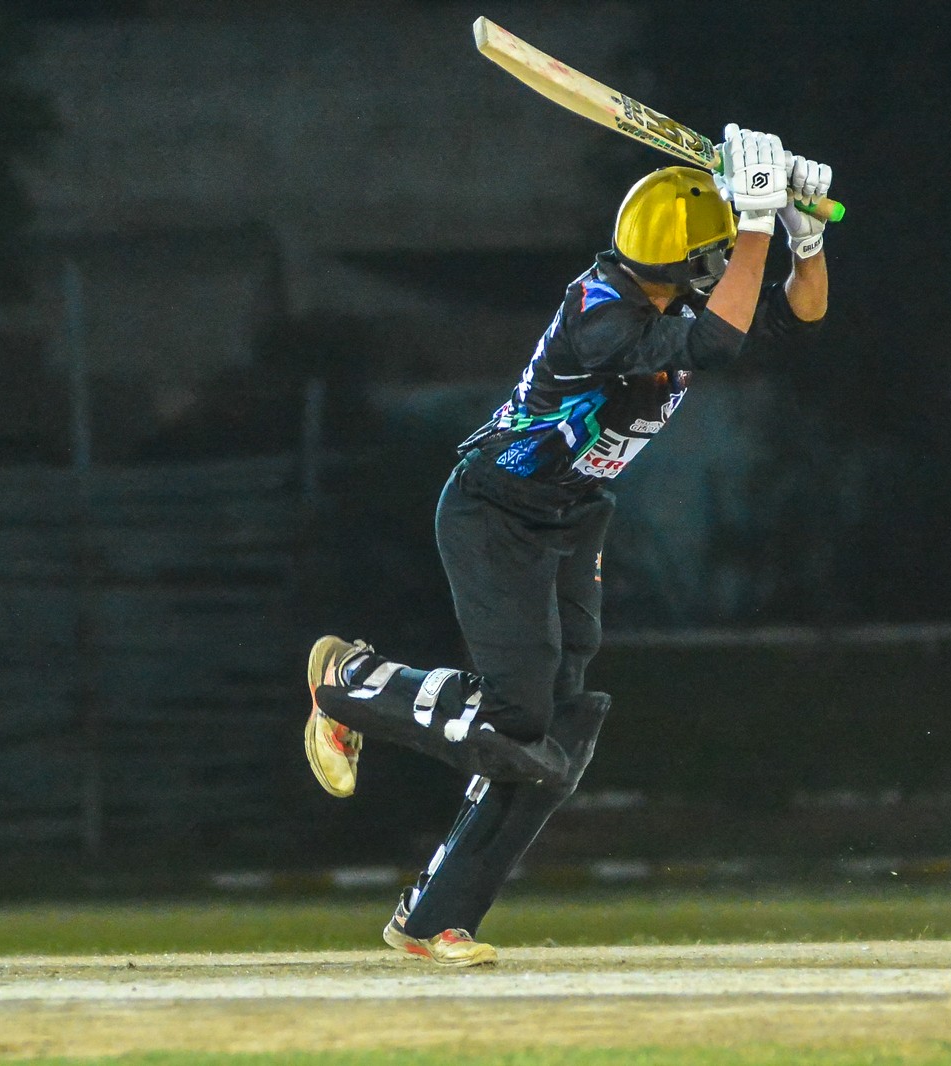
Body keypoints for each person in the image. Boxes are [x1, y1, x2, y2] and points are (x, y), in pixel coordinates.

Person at [302, 124, 832, 966]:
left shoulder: (671, 297)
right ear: (692, 263)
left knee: (557, 736)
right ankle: (350, 683)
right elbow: (720, 341)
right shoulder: (601, 317)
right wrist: (759, 222)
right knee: (516, 721)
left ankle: (435, 918)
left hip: (572, 515)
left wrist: (803, 239)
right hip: (495, 511)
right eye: (718, 254)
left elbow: (803, 313)